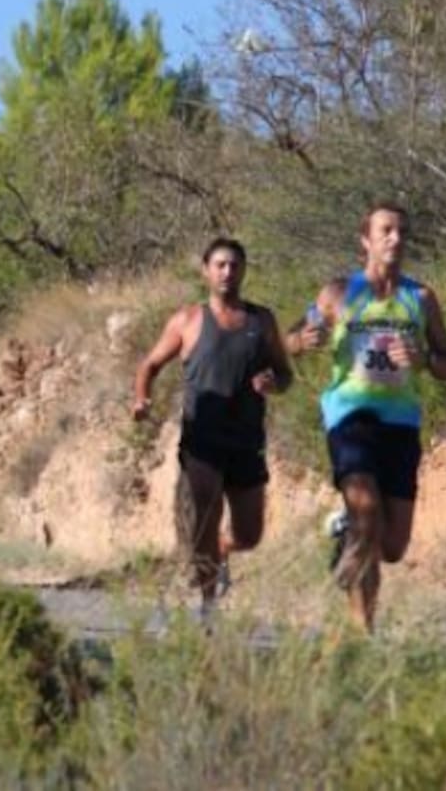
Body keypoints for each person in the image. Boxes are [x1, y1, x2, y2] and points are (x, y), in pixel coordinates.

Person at [285, 202, 446, 633]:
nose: (395, 239)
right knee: (366, 509)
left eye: (401, 232)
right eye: (386, 231)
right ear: (366, 240)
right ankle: (364, 634)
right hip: (349, 415)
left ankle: (349, 530)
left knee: (393, 546)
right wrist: (303, 339)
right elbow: (288, 338)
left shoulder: (420, 298)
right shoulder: (340, 293)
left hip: (401, 423)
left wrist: (422, 358)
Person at [133, 238, 293, 619]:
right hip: (202, 438)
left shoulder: (262, 320)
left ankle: (222, 552)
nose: (227, 272)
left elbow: (286, 373)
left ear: (244, 270)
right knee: (205, 510)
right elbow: (150, 365)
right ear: (205, 270)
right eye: (220, 265)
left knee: (249, 535)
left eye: (235, 265)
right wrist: (142, 398)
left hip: (247, 439)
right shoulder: (188, 320)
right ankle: (207, 605)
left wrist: (275, 382)